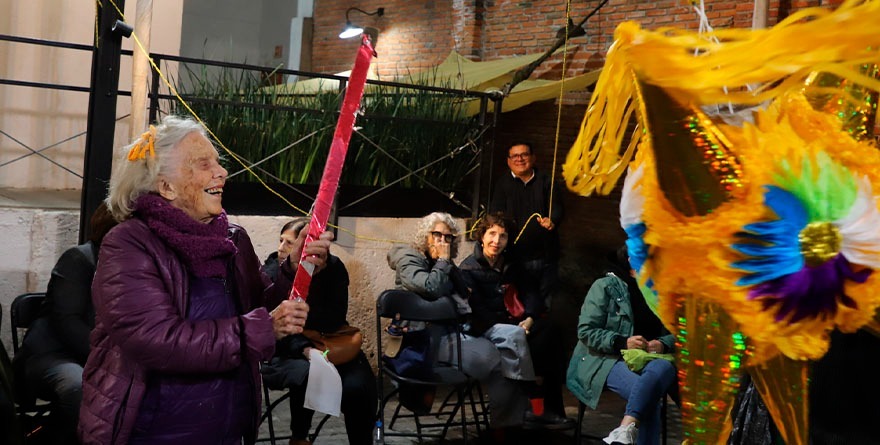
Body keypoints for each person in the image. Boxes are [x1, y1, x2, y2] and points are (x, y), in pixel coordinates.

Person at [78, 115, 333, 445]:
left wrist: (293, 270)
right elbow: (156, 339)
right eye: (203, 164)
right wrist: (264, 328)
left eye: (217, 161)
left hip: (227, 424)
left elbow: (259, 305)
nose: (222, 172)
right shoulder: (129, 244)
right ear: (166, 187)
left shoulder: (232, 239)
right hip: (154, 428)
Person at [387, 212, 530, 439]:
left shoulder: (445, 263)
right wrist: (444, 262)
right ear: (425, 236)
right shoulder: (410, 258)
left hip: (455, 332)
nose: (443, 242)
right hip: (423, 340)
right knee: (503, 358)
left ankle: (509, 423)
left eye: (448, 237)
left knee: (512, 342)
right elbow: (431, 288)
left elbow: (463, 294)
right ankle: (506, 426)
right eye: (437, 235)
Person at [260, 217, 377, 445]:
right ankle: (299, 436)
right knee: (308, 374)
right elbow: (270, 323)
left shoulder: (333, 269)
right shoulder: (272, 272)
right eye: (281, 240)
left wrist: (307, 298)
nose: (281, 247)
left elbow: (334, 318)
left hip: (327, 342)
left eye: (289, 242)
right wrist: (304, 347)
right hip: (285, 348)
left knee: (358, 385)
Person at [11, 203, 116, 445]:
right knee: (77, 386)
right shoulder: (79, 259)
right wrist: (105, 359)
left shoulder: (134, 267)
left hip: (97, 357)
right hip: (53, 355)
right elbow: (66, 322)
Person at [459, 212, 574, 430]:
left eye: (502, 236)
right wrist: (513, 328)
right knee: (522, 342)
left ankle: (550, 408)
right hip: (488, 330)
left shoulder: (511, 264)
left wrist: (529, 319)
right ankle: (530, 402)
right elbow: (477, 310)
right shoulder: (468, 269)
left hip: (519, 325)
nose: (496, 241)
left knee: (551, 333)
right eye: (492, 234)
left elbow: (531, 293)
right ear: (482, 236)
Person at [566, 246, 676, 445]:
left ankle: (625, 430)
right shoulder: (606, 286)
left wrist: (662, 343)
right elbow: (586, 330)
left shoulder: (659, 291)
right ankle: (626, 432)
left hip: (649, 358)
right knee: (648, 398)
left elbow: (679, 331)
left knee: (665, 366)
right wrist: (622, 342)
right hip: (607, 359)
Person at [488, 142, 564, 309]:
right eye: (515, 156)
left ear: (533, 158)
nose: (520, 159)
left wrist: (552, 220)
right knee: (518, 302)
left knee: (543, 302)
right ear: (508, 161)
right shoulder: (503, 183)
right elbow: (495, 213)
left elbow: (557, 208)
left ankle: (540, 324)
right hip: (514, 256)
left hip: (545, 255)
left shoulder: (546, 181)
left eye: (524, 155)